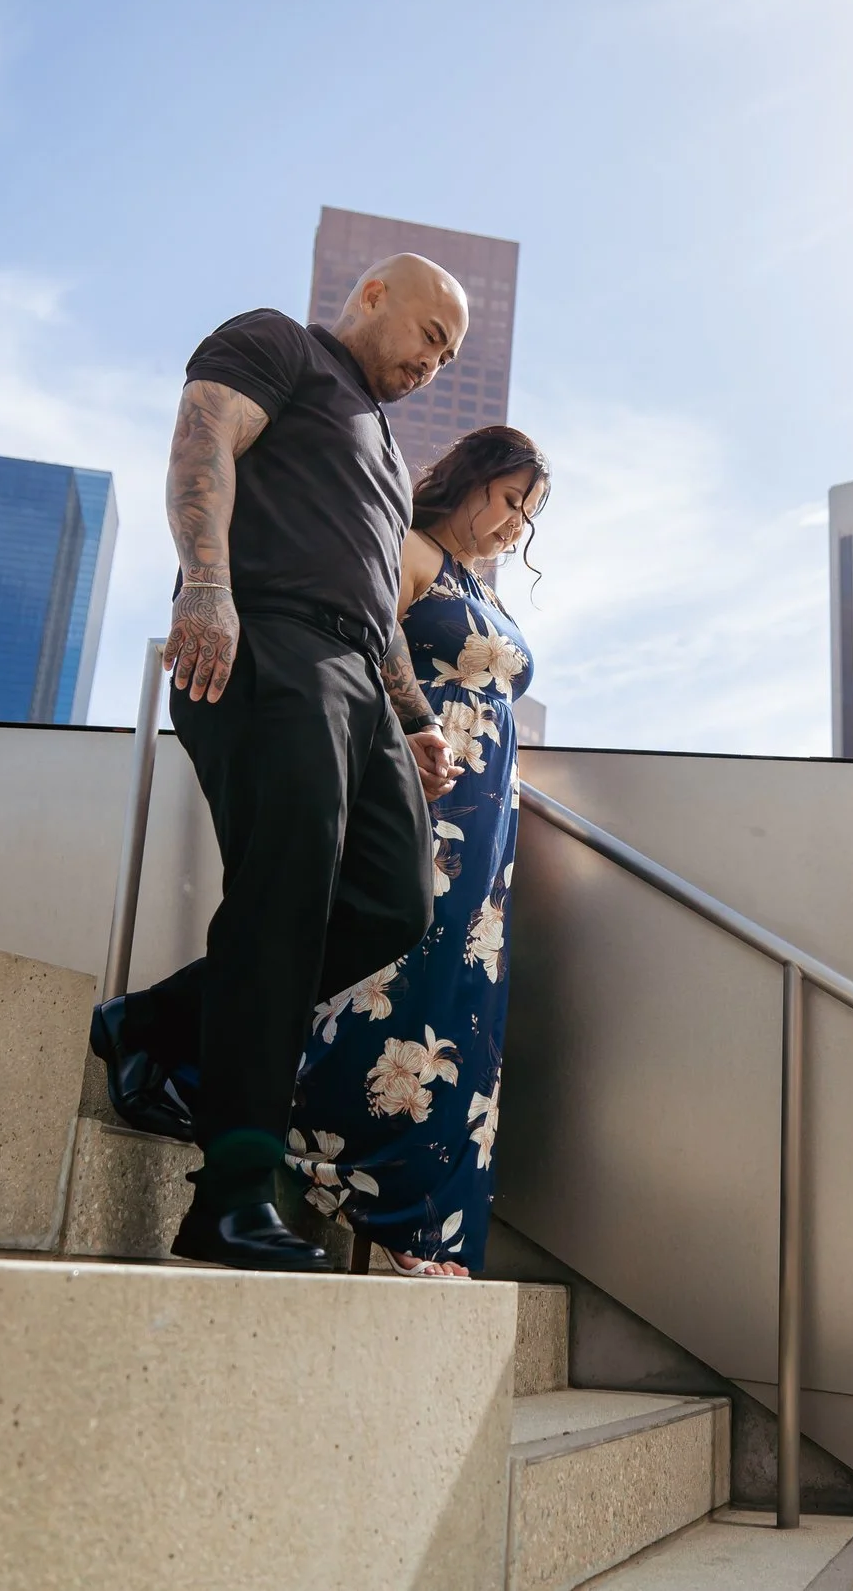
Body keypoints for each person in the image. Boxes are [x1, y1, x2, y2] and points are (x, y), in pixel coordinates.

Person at [89, 255, 466, 1271]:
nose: (432, 364)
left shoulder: (384, 450)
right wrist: (205, 585)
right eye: (430, 336)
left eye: (448, 357)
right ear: (375, 296)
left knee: (393, 902)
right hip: (266, 642)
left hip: (356, 678)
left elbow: (373, 596)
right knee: (285, 897)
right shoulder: (281, 345)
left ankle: (150, 1021)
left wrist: (415, 717)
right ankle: (232, 1192)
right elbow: (203, 436)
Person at [285, 426, 547, 1277]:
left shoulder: (480, 585)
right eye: (511, 499)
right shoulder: (412, 548)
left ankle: (431, 1224)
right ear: (472, 478)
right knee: (396, 978)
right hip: (417, 792)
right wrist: (401, 740)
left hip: (488, 827)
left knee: (461, 1002)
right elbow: (363, 644)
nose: (516, 523)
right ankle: (342, 1161)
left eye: (530, 514)